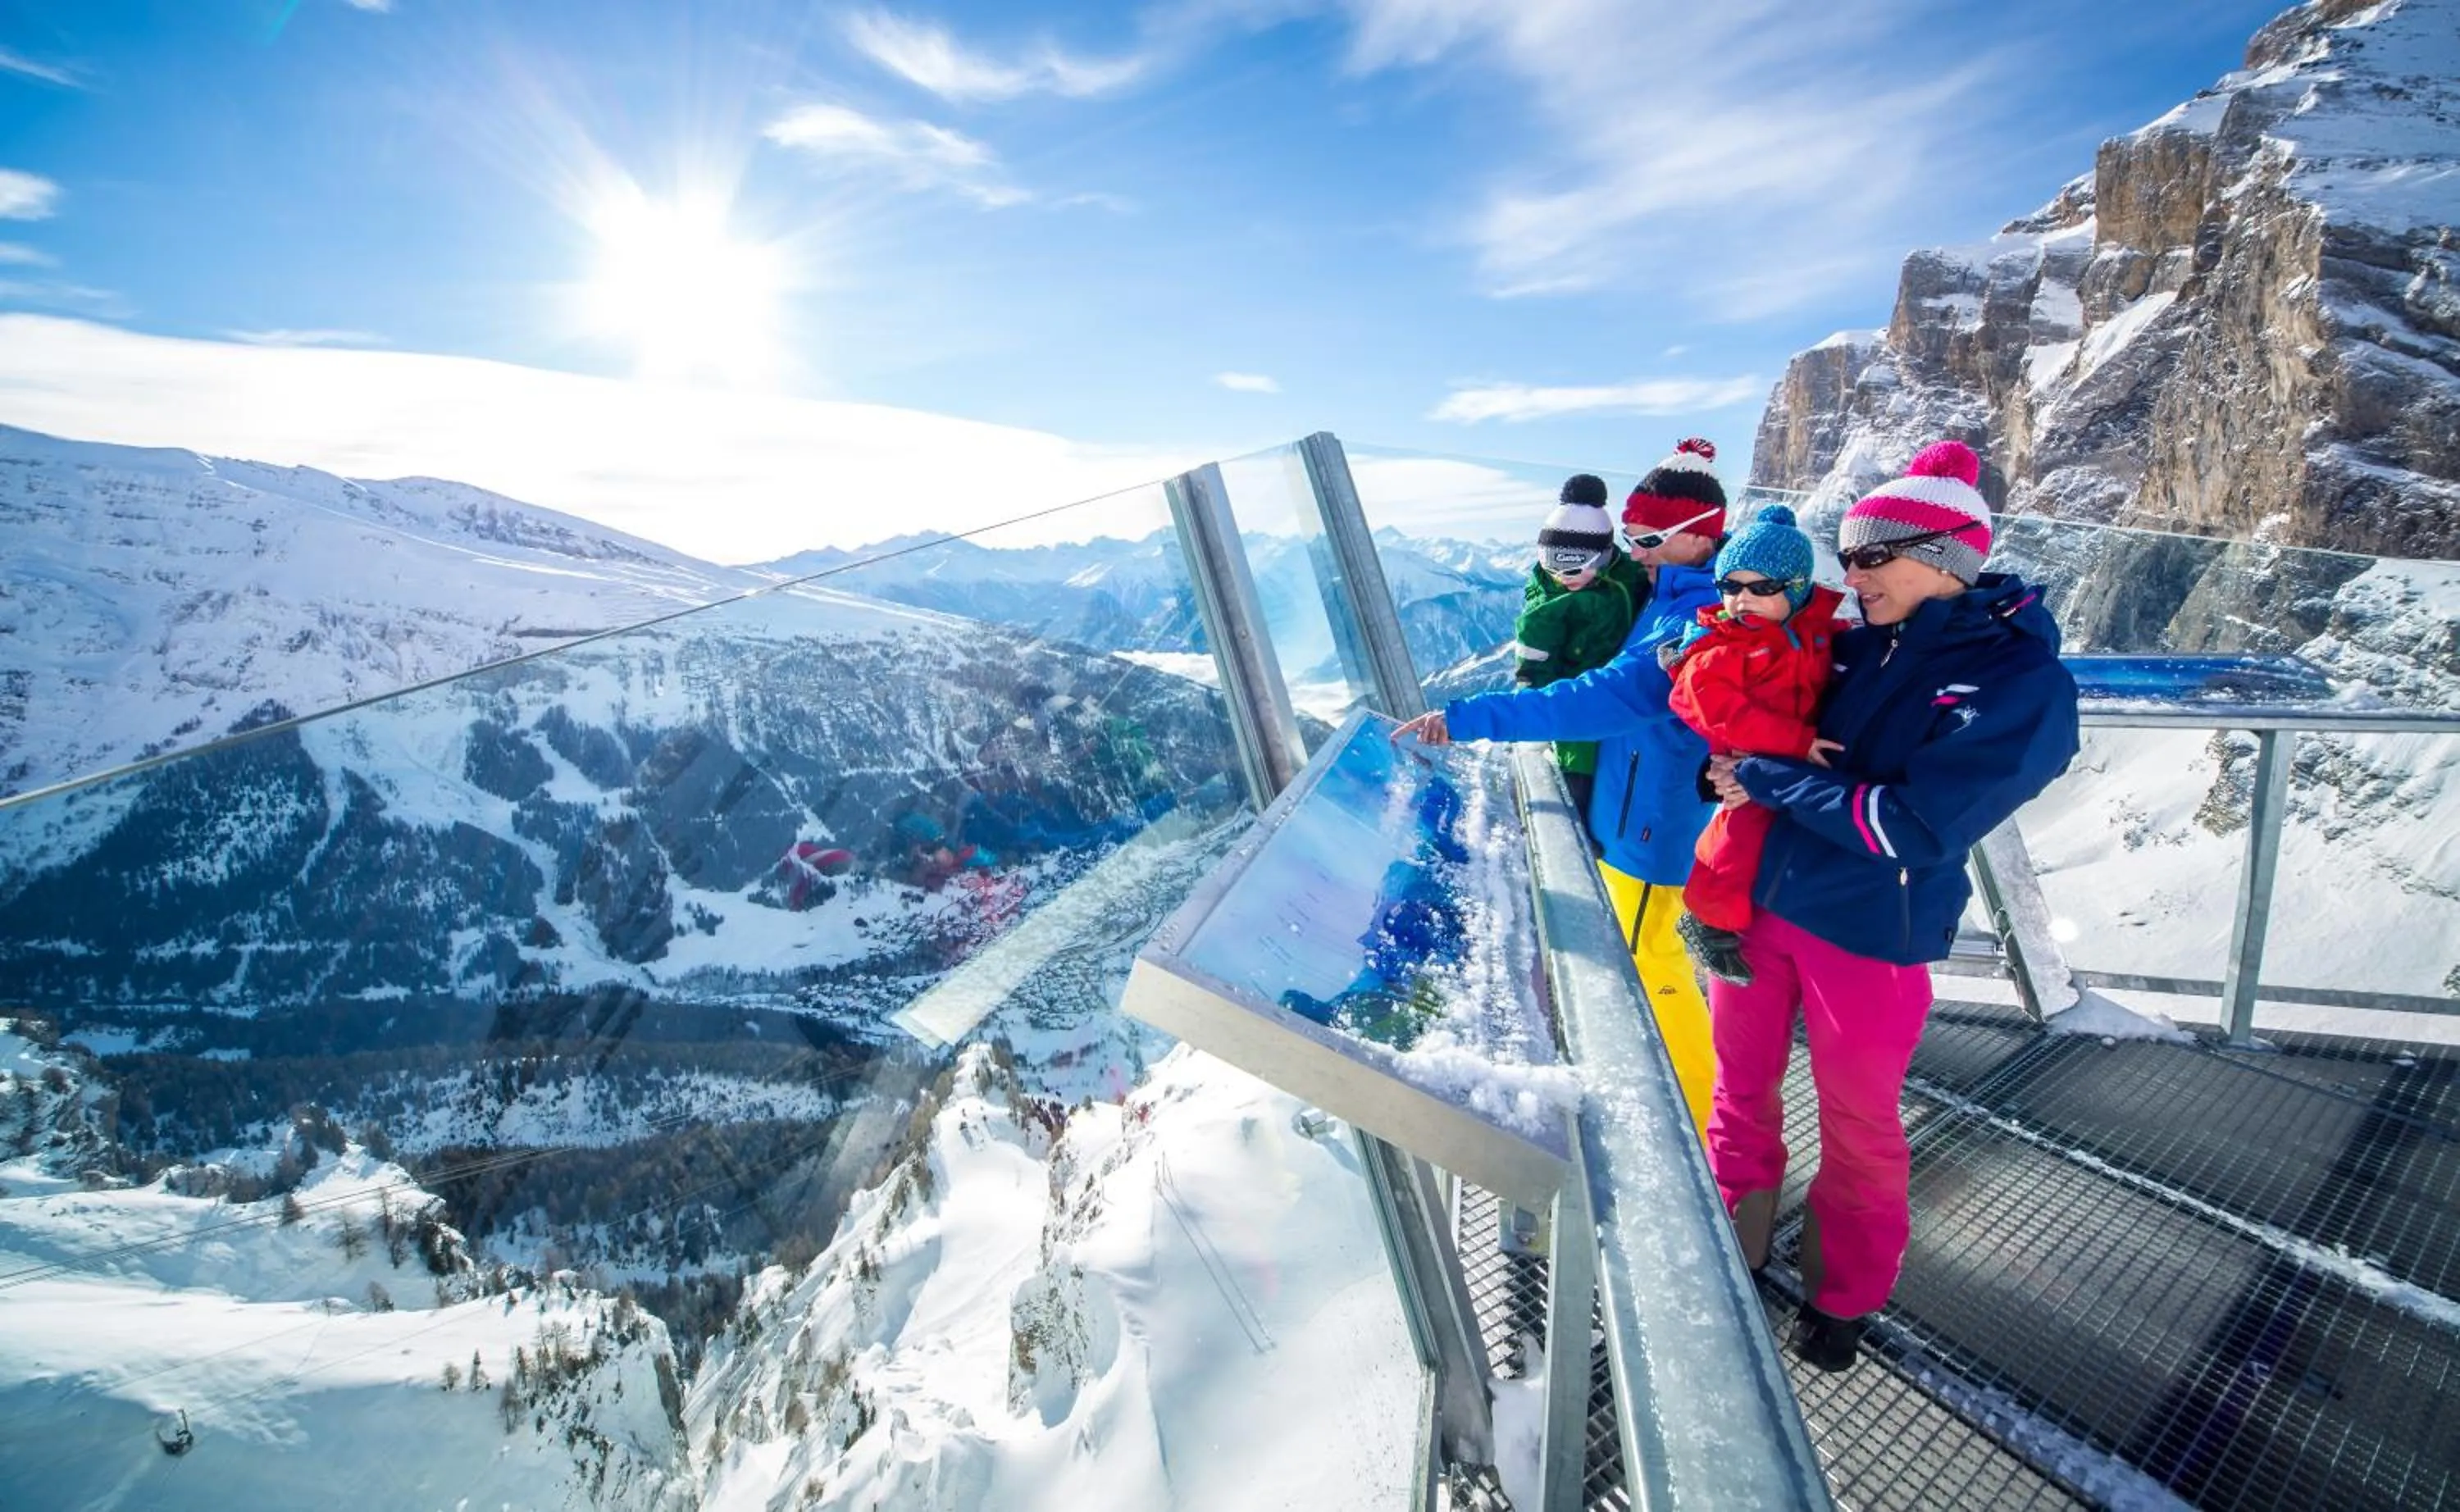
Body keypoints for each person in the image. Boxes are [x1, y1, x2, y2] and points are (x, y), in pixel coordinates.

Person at [1703, 440, 2079, 1373]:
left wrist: (1767, 777)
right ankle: (1734, 1252)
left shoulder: (2020, 685)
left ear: (1946, 555)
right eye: (1847, 555)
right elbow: (1756, 715)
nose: (1851, 573)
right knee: (1737, 1095)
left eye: (1872, 556)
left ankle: (1844, 1297)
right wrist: (1734, 767)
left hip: (1871, 937)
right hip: (1766, 908)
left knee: (1860, 1125)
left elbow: (1913, 825)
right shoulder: (1856, 645)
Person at [1395, 437, 1732, 1137]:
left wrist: (1465, 718)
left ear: (1695, 539)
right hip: (1639, 812)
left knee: (1655, 970)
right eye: (1627, 536)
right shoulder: (1666, 592)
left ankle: (1698, 1134)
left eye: (1644, 538)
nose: (1631, 551)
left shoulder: (1689, 619)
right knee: (1644, 965)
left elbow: (1595, 698)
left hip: (1653, 833)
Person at [1663, 504, 1844, 986]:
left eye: (1761, 588)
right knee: (1738, 837)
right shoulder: (1723, 649)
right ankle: (1706, 920)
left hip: (1785, 758)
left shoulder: (1815, 633)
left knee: (1762, 837)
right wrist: (1796, 741)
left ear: (1799, 587)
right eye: (1731, 587)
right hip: (1752, 755)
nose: (1743, 600)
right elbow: (1713, 707)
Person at [1513, 473, 1643, 819]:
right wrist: (1533, 711)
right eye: (1552, 566)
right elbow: (1533, 662)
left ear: (1602, 559)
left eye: (1574, 569)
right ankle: (1579, 825)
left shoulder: (1629, 575)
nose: (1563, 578)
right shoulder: (1545, 607)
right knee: (1580, 762)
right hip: (1574, 692)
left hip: (1625, 688)